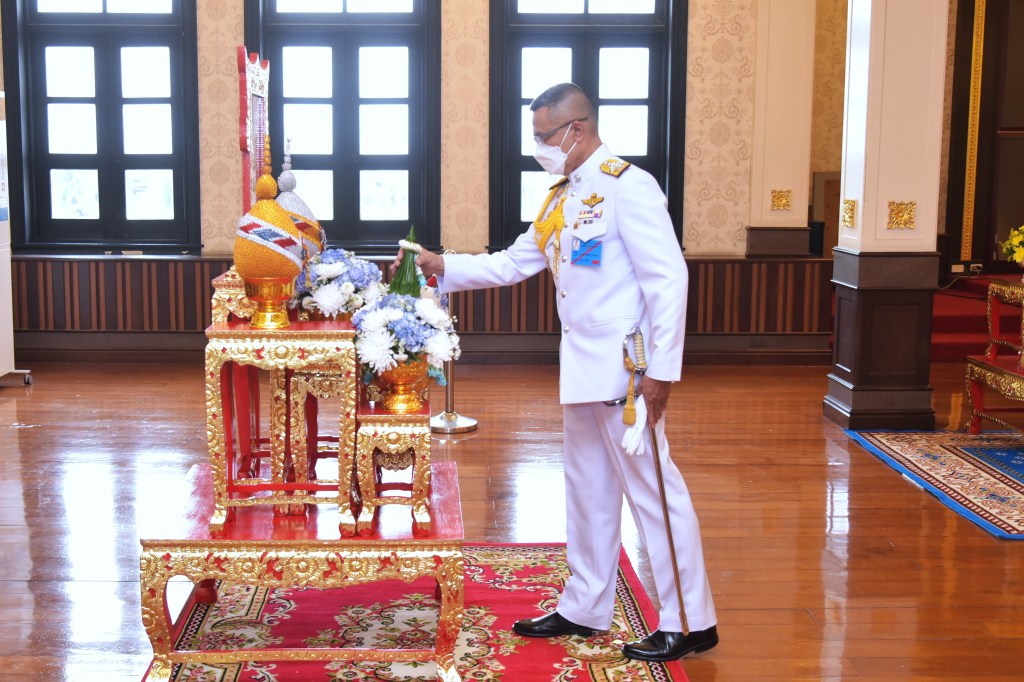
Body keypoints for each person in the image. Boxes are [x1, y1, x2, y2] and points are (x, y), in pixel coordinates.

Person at [395, 82, 718, 661]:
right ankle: (585, 606)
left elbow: (669, 281)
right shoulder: (562, 197)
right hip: (581, 368)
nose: (538, 146)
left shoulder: (629, 186)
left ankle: (690, 621)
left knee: (654, 492)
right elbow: (514, 261)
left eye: (544, 136)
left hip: (627, 373)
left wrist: (662, 371)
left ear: (577, 130)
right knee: (588, 491)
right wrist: (443, 265)